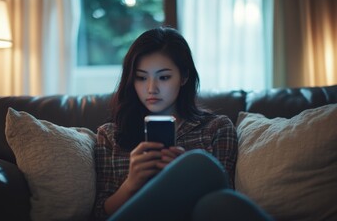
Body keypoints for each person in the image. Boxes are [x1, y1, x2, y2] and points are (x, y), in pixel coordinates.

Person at [93, 27, 272, 221]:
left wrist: (184, 176)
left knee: (212, 193)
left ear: (184, 77)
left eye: (164, 77)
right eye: (141, 77)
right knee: (201, 165)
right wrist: (131, 183)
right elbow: (100, 214)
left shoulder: (216, 128)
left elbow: (223, 199)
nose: (151, 88)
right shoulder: (110, 135)